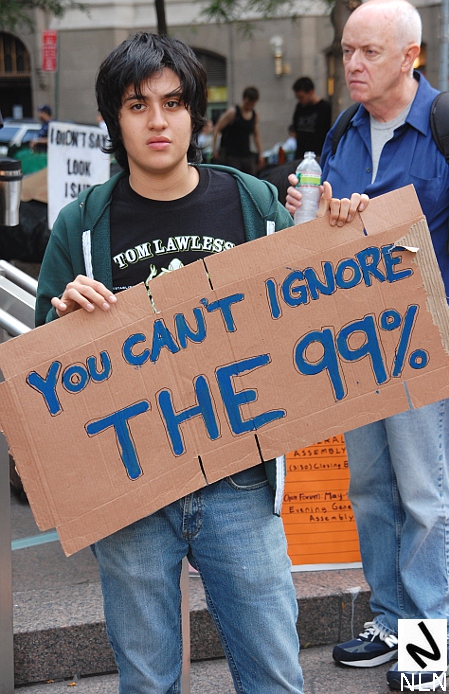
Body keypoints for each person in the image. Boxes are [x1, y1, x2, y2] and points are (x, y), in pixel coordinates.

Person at [35, 32, 366, 694]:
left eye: (173, 102)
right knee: (148, 680)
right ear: (113, 119)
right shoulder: (82, 225)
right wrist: (62, 319)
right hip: (131, 490)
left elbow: (307, 305)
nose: (158, 121)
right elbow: (37, 372)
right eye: (138, 105)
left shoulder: (252, 203)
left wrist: (347, 234)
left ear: (194, 112)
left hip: (239, 481)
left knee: (274, 674)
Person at [287, 1, 449, 691]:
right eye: (347, 50)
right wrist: (316, 215)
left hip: (424, 342)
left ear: (411, 56)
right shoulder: (343, 132)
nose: (351, 65)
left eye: (369, 52)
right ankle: (390, 620)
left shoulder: (442, 124)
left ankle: (428, 648)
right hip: (356, 344)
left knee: (425, 497)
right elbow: (319, 242)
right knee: (372, 490)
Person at [212, 86, 264, 175]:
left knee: (250, 175)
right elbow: (217, 128)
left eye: (252, 104)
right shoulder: (233, 112)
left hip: (245, 153)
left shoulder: (254, 115)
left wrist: (260, 153)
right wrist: (214, 149)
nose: (249, 106)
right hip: (231, 154)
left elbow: (256, 135)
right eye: (248, 103)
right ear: (244, 99)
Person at [290, 77, 331, 160]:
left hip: (318, 155)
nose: (299, 100)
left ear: (311, 92)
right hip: (300, 155)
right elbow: (295, 126)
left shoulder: (325, 108)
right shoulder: (300, 107)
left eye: (302, 97)